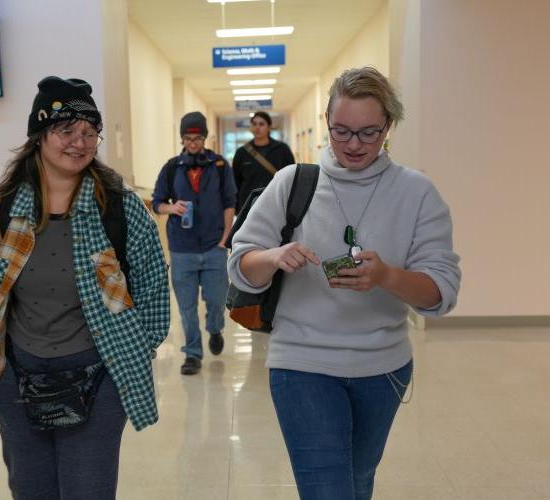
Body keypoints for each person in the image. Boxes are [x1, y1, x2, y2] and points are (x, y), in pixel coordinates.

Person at [227, 67, 461, 500]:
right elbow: (242, 266)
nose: (353, 145)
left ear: (388, 126)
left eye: (368, 133)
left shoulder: (416, 193)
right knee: (329, 491)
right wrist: (275, 257)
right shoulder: (293, 182)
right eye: (341, 131)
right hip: (301, 363)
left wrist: (386, 276)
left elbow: (440, 293)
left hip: (382, 367)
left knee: (356, 482)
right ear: (328, 122)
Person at [0, 76, 170, 499]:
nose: (80, 142)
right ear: (39, 136)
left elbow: (155, 296)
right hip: (18, 377)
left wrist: (126, 362)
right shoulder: (4, 212)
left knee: (87, 490)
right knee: (31, 490)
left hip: (99, 378)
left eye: (90, 132)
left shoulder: (121, 208)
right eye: (66, 130)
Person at [151, 111, 237, 375]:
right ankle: (192, 353)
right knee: (187, 308)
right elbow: (157, 203)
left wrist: (225, 238)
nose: (192, 144)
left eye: (197, 138)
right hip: (182, 249)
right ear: (181, 139)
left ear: (204, 138)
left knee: (215, 300)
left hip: (214, 247)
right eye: (187, 139)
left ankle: (215, 328)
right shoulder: (171, 167)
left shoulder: (220, 165)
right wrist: (171, 207)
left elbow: (229, 203)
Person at [232, 111, 296, 210]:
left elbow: (291, 176)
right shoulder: (242, 152)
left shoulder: (282, 149)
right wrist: (237, 207)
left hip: (276, 203)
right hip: (248, 205)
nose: (257, 127)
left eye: (261, 124)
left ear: (269, 127)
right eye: (254, 124)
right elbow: (236, 182)